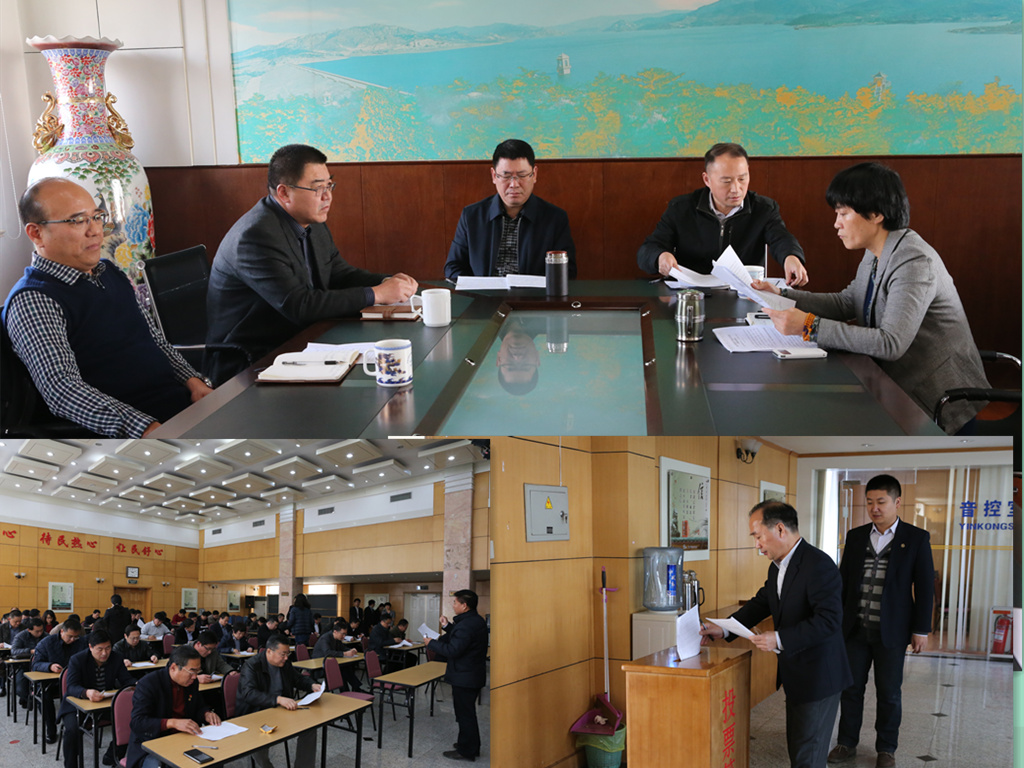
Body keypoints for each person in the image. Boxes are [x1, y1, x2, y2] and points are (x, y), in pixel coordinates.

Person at [754, 162, 989, 434]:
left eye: (843, 213)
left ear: (876, 214)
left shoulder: (914, 261)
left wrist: (809, 326)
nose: (836, 223)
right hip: (896, 386)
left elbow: (891, 343)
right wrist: (782, 294)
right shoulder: (878, 251)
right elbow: (847, 302)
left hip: (938, 402)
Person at [2, 178, 213, 437]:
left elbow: (154, 340)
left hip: (179, 409)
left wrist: (193, 381)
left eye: (97, 217)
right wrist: (146, 429)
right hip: (129, 434)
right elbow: (62, 390)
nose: (95, 231)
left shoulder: (108, 272)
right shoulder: (34, 299)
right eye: (78, 221)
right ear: (36, 233)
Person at [205, 143, 418, 384]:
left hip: (299, 344)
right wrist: (376, 294)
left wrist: (388, 282)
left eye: (329, 185)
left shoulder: (311, 223)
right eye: (318, 188)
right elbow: (299, 306)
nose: (328, 196)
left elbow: (339, 274)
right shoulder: (255, 237)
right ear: (284, 193)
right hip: (250, 364)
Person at [699, 502, 852, 768]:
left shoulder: (818, 564)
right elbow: (762, 602)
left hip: (819, 675)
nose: (757, 545)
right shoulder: (778, 565)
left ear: (780, 529)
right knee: (799, 749)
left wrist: (779, 638)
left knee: (808, 755)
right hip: (797, 674)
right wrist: (724, 628)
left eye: (758, 536)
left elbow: (829, 621)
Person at [828, 475, 935, 768]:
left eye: (881, 502)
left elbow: (925, 587)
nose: (874, 508)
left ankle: (886, 749)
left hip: (892, 632)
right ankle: (846, 742)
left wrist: (921, 629)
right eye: (870, 502)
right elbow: (843, 582)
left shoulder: (916, 538)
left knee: (889, 693)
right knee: (851, 689)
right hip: (855, 630)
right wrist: (835, 623)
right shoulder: (856, 536)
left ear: (897, 502)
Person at [638, 142, 808, 285]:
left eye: (742, 179)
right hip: (692, 294)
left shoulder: (763, 209)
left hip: (743, 294)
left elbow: (781, 239)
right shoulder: (681, 208)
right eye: (726, 181)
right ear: (707, 179)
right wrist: (659, 257)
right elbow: (649, 248)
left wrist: (791, 257)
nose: (736, 189)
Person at [444, 139, 576, 282]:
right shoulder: (471, 216)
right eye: (506, 176)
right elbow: (453, 267)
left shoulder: (555, 218)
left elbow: (567, 271)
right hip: (484, 295)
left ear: (534, 174)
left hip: (533, 296)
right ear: (494, 176)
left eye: (522, 175)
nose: (514, 184)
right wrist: (480, 287)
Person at [126, 645, 221, 768]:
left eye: (198, 671)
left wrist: (206, 713)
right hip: (153, 743)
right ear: (173, 668)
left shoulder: (192, 682)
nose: (195, 676)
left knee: (215, 761)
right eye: (192, 671)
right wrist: (171, 723)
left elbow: (198, 706)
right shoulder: (148, 684)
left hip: (185, 739)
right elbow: (137, 722)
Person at [237, 635, 321, 768]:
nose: (286, 658)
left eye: (288, 654)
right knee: (258, 744)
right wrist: (277, 699)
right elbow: (249, 694)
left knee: (309, 728)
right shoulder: (252, 665)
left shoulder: (285, 664)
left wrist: (312, 685)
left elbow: (298, 679)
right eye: (283, 654)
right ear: (269, 651)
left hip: (281, 710)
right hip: (257, 713)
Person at [427, 589, 489, 762]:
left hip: (465, 677)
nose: (453, 605)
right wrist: (447, 626)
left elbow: (453, 650)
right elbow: (461, 637)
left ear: (464, 605)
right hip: (471, 674)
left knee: (465, 714)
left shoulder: (467, 624)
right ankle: (471, 745)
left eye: (455, 602)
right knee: (467, 713)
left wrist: (431, 643)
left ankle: (466, 751)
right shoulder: (475, 620)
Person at [58, 629, 134, 768]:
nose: (104, 653)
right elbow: (71, 687)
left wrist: (136, 685)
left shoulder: (116, 658)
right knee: (72, 730)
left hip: (105, 703)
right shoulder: (77, 659)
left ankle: (112, 756)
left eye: (108, 648)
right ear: (90, 647)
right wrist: (86, 692)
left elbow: (126, 680)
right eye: (100, 649)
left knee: (133, 720)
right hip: (76, 705)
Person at [32, 617, 86, 743]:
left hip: (74, 682)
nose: (73, 640)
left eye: (76, 637)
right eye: (70, 636)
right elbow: (35, 664)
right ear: (62, 632)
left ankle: (80, 725)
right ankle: (51, 729)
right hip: (52, 683)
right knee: (44, 696)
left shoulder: (81, 642)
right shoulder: (46, 643)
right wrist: (50, 666)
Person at [312, 621, 364, 693]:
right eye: (343, 634)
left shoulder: (337, 638)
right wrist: (345, 653)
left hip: (331, 663)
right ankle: (348, 691)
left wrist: (350, 650)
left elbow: (342, 648)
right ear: (335, 631)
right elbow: (328, 652)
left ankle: (353, 689)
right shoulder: (325, 638)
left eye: (345, 634)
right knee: (342, 669)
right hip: (320, 666)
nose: (344, 636)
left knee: (346, 667)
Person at [11, 617, 47, 707]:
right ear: (29, 630)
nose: (40, 633)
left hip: (41, 665)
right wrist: (30, 651)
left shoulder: (46, 636)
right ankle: (28, 699)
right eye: (37, 631)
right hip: (23, 666)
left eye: (41, 630)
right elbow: (14, 651)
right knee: (20, 688)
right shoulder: (20, 636)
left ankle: (34, 700)